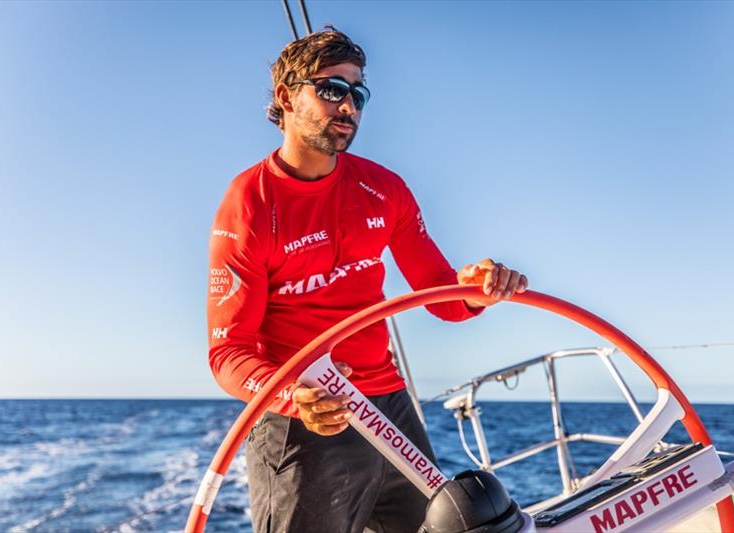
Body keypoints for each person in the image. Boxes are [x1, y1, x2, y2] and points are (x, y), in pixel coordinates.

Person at [207, 27, 528, 533]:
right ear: (287, 97)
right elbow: (228, 353)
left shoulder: (384, 189)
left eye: (358, 93)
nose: (348, 105)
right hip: (304, 418)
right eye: (332, 89)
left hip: (389, 410)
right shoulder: (249, 203)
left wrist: (476, 286)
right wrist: (295, 397)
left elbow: (441, 294)